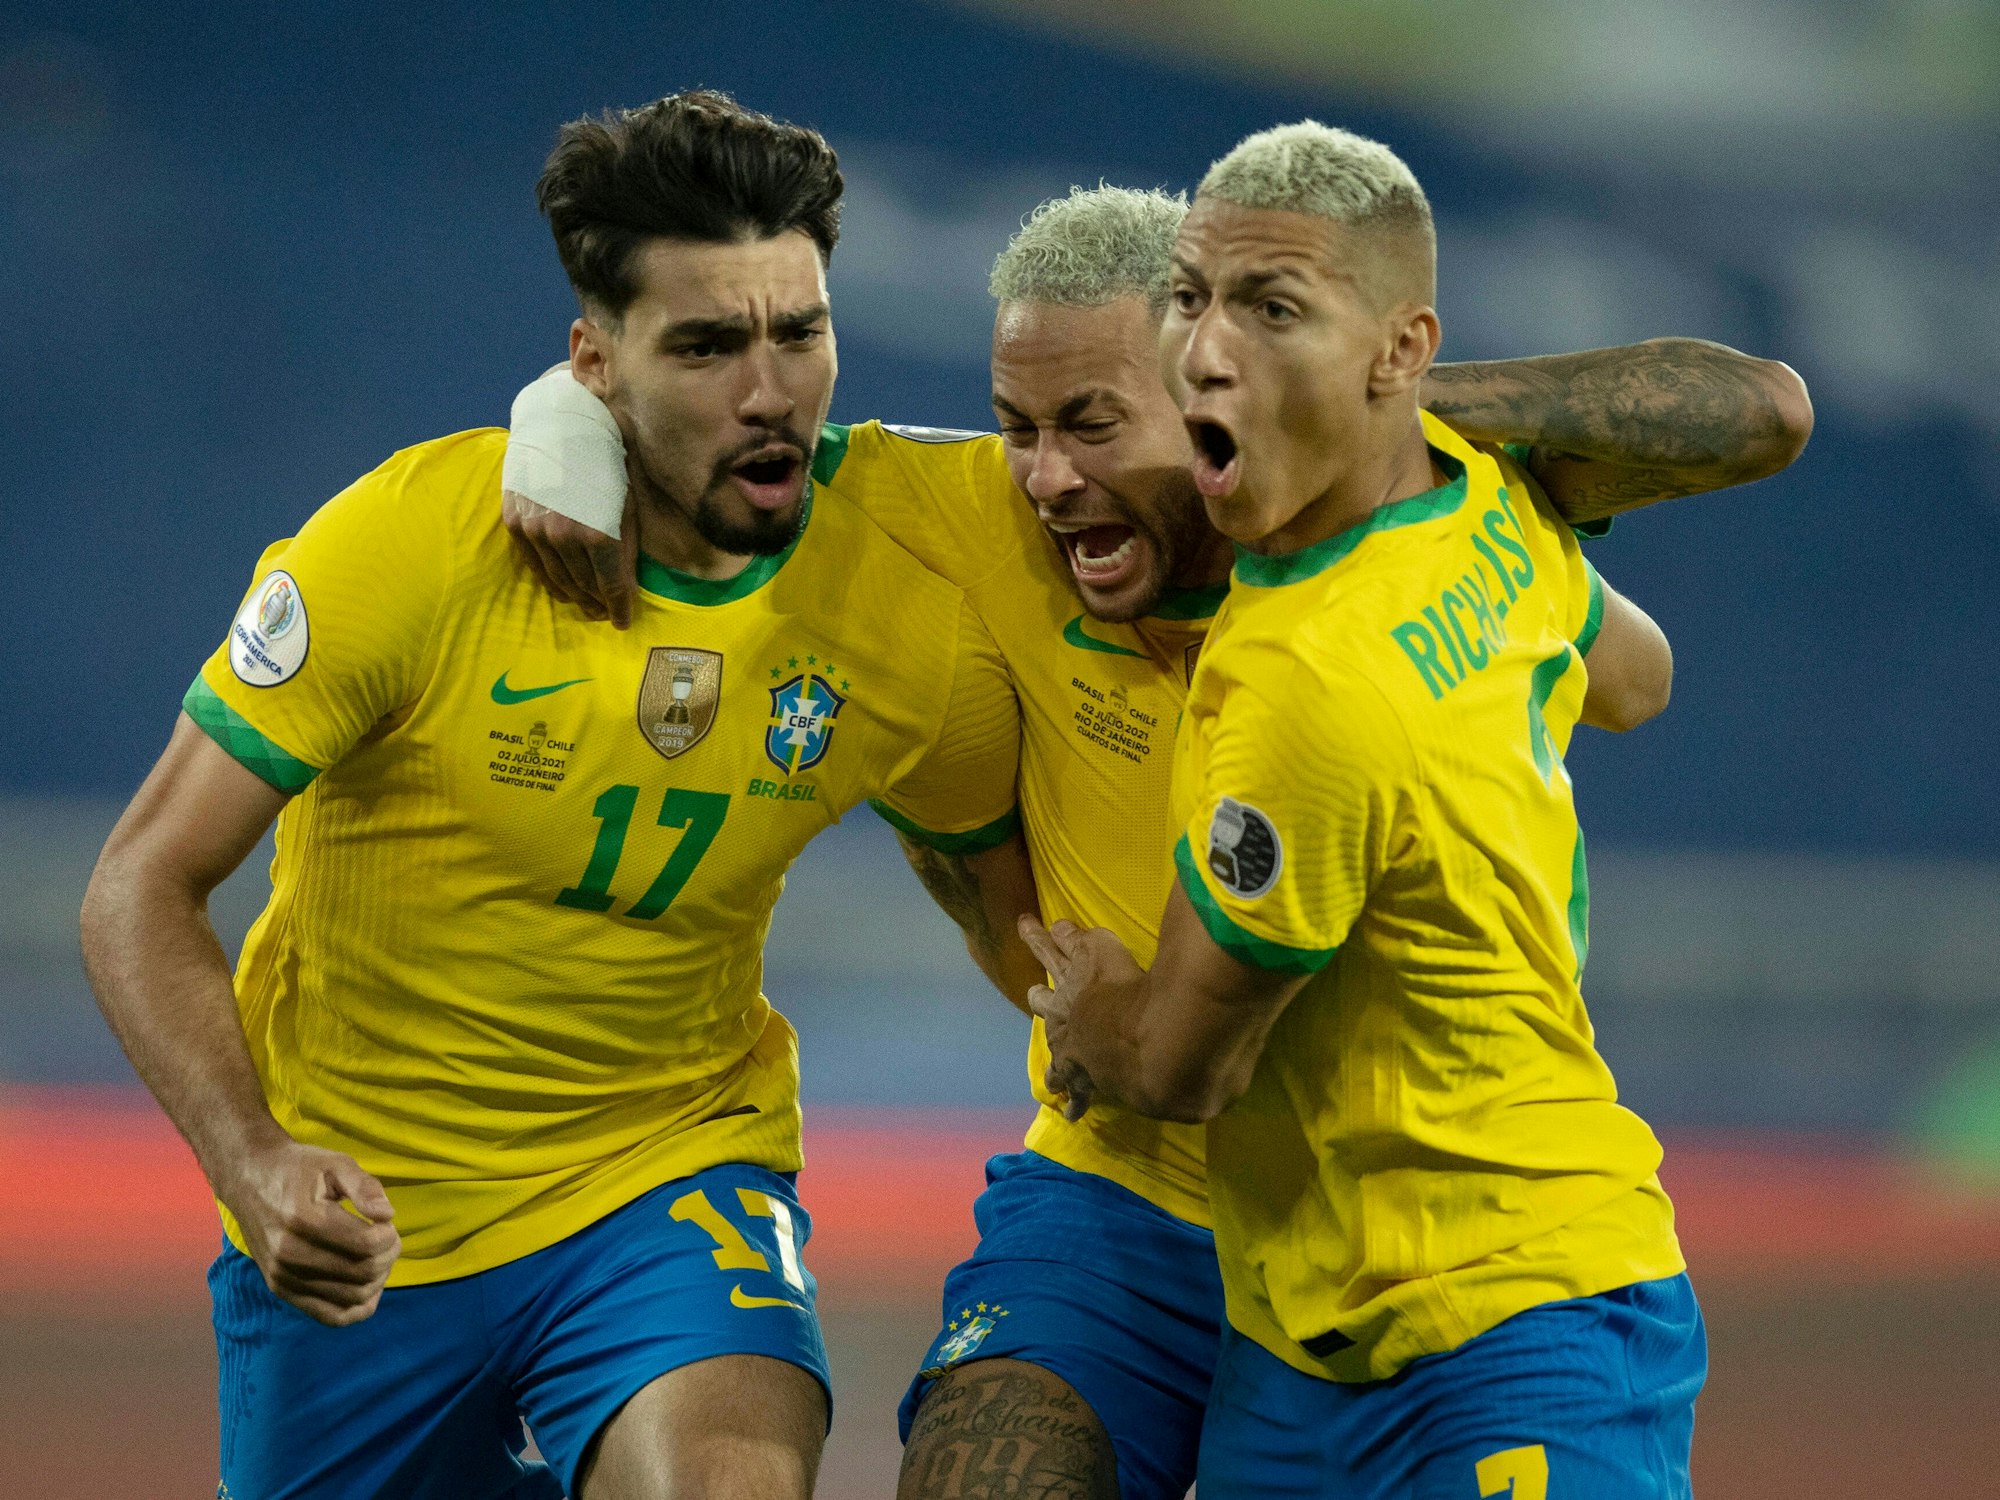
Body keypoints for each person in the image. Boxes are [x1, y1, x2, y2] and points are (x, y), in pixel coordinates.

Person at [503, 178, 1808, 1499]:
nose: (1048, 477)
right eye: (1020, 424)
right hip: (1122, 1195)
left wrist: (1360, 400)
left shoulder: (1383, 532)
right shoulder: (969, 510)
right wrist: (556, 425)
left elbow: (1686, 564)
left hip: (1390, 1216)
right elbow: (691, 423)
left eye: (1092, 423)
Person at [77, 90, 1027, 1500]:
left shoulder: (909, 619)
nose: (769, 391)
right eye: (706, 346)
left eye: (799, 333)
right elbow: (138, 886)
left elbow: (1003, 897)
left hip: (669, 1177)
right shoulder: (411, 547)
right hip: (372, 1224)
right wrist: (255, 1159)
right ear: (594, 362)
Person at [1021, 123, 1804, 1499]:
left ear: (1399, 348)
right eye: (1190, 297)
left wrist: (1090, 1022)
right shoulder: (1485, 501)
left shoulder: (1302, 685)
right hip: (1306, 1341)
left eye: (1274, 311)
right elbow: (1636, 677)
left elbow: (1183, 1071)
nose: (1205, 349)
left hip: (1513, 1319)